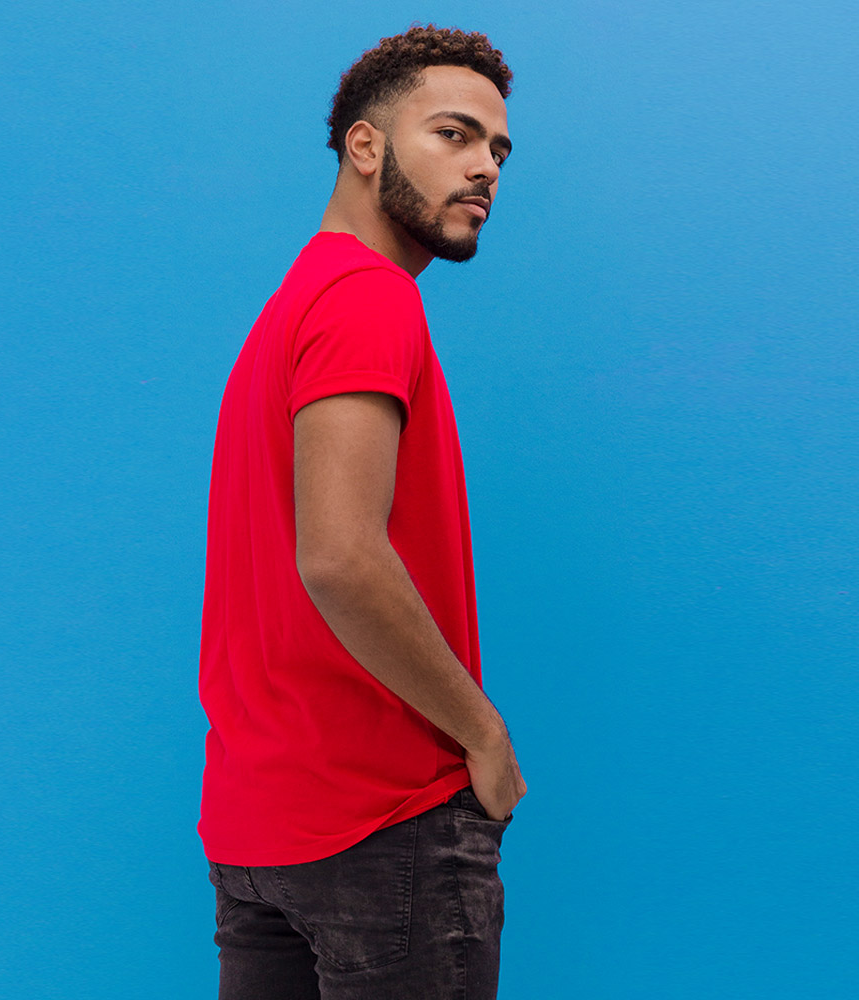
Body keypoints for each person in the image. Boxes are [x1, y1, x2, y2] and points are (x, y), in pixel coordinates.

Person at [198, 24, 527, 1000]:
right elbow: (339, 556)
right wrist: (483, 734)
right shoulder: (366, 298)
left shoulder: (293, 304)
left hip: (260, 832)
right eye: (454, 134)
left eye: (498, 150)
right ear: (366, 146)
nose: (485, 167)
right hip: (383, 827)